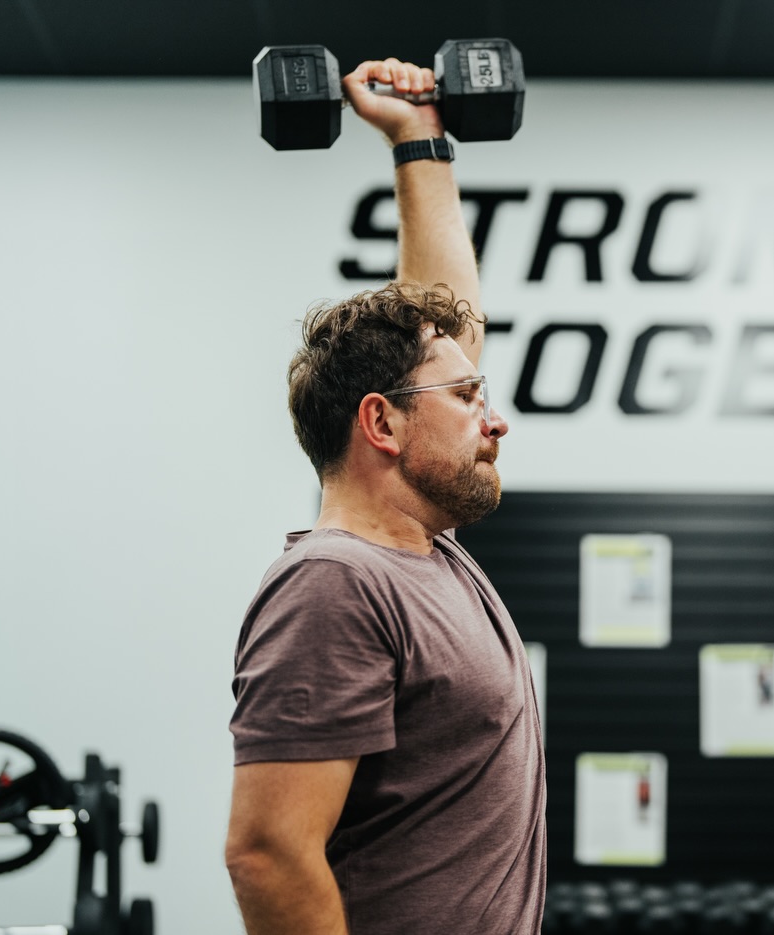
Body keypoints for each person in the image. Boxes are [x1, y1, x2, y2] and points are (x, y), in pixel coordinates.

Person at [224, 55, 545, 935]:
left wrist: (419, 138)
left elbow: (453, 318)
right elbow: (267, 852)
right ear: (384, 424)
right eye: (469, 399)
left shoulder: (424, 557)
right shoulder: (337, 584)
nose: (496, 420)